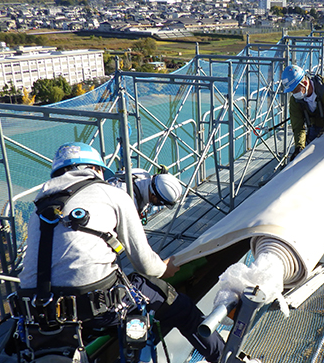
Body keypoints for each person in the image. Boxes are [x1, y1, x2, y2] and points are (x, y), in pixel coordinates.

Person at [17, 142, 224, 362]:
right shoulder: (112, 194)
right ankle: (226, 357)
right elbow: (145, 264)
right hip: (94, 307)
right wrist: (164, 268)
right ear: (95, 169)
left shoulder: (39, 206)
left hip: (36, 309)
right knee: (177, 305)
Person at [281, 64, 324, 161]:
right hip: (317, 127)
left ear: (305, 83)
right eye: (292, 91)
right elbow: (298, 127)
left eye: (296, 90)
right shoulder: (295, 101)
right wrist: (299, 147)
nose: (294, 94)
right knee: (311, 156)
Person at [107, 167, 183, 217]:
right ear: (153, 195)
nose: (160, 205)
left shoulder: (143, 174)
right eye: (160, 202)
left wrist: (162, 177)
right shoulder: (129, 200)